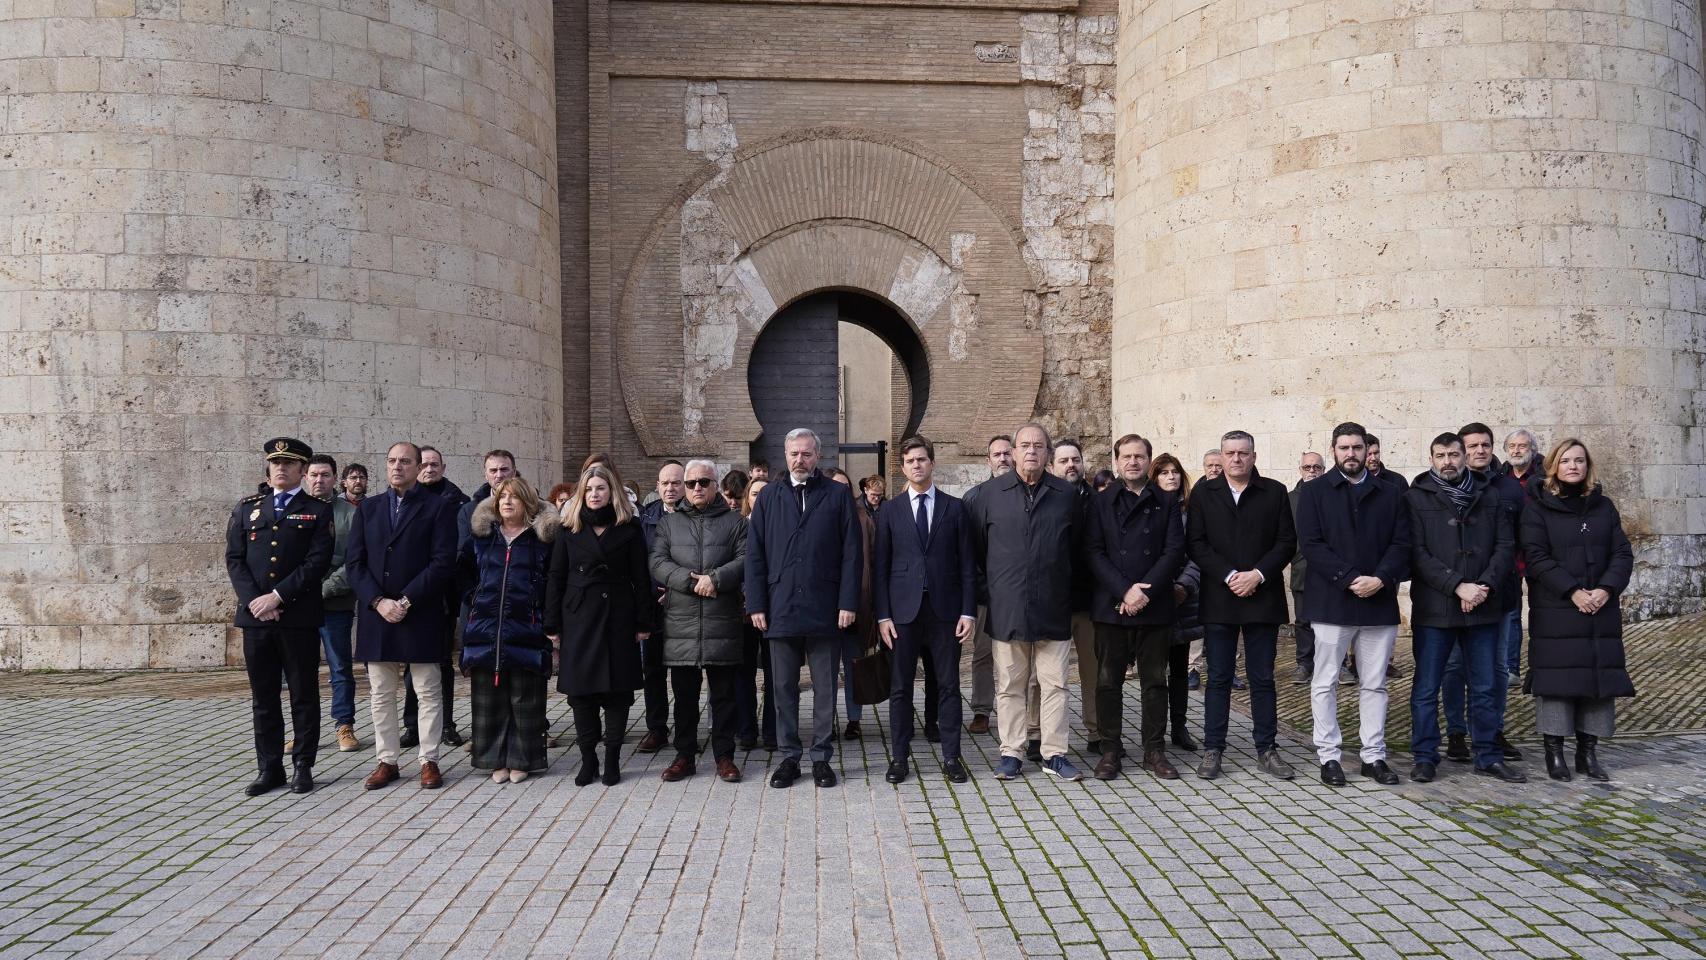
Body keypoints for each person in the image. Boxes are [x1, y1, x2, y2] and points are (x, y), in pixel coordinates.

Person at [745, 428, 863, 789]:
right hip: (780, 606)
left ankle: (822, 757)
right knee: (782, 687)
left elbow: (852, 553)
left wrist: (847, 602)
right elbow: (755, 554)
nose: (800, 459)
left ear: (818, 456)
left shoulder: (838, 495)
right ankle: (789, 757)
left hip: (825, 607)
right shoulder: (769, 497)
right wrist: (756, 603)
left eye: (807, 454)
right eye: (795, 453)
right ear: (785, 455)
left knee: (826, 688)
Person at [1295, 423, 1411, 787]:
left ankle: (1373, 756)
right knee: (1325, 681)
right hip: (1332, 601)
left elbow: (1402, 543)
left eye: (1357, 447)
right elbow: (1311, 544)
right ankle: (1329, 755)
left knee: (1375, 684)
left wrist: (1381, 578)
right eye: (1344, 447)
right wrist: (1348, 578)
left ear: (1367, 450)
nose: (1351, 454)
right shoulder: (1314, 492)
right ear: (1334, 450)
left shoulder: (1391, 493)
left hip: (1378, 600)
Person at [1404, 433, 1524, 783]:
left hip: (1483, 605)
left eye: (1454, 454)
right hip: (1435, 608)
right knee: (1427, 688)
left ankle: (1487, 754)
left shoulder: (1490, 495)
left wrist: (1483, 586)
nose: (1448, 462)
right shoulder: (1415, 497)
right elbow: (1416, 552)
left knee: (1485, 686)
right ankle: (1425, 755)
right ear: (1431, 458)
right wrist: (1457, 585)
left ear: (1464, 456)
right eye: (1441, 455)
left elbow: (1505, 546)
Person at [971, 423, 1086, 782]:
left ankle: (1054, 753)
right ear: (1014, 451)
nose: (1031, 451)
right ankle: (1012, 752)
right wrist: (992, 592)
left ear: (1048, 453)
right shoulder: (989, 494)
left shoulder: (1066, 495)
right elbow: (977, 552)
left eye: (1039, 445)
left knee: (1055, 685)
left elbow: (1077, 549)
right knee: (1010, 685)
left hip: (1053, 605)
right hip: (1007, 607)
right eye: (1025, 445)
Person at [225, 438, 334, 796]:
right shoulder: (247, 508)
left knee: (303, 695)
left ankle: (303, 765)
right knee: (264, 697)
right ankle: (269, 767)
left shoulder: (317, 511)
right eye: (276, 463)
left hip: (296, 617)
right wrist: (255, 601)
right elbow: (235, 559)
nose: (281, 469)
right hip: (256, 618)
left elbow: (317, 562)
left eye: (289, 464)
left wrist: (277, 596)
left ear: (302, 471)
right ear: (268, 469)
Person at [1186, 430, 1296, 781]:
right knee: (1218, 677)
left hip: (1262, 597)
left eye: (1243, 453)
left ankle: (1267, 748)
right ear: (1221, 456)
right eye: (1230, 453)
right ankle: (1213, 748)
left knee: (1262, 677)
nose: (1236, 459)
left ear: (1254, 456)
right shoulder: (1204, 492)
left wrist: (1258, 575)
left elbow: (1286, 542)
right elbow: (1196, 544)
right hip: (1221, 596)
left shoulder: (1274, 491)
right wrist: (1231, 575)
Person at [348, 441, 459, 791]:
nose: (397, 467)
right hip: (377, 614)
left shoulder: (438, 507)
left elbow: (442, 562)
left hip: (420, 610)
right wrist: (378, 601)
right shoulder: (368, 509)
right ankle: (387, 760)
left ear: (418, 467)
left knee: (427, 689)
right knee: (381, 692)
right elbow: (355, 564)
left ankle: (429, 759)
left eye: (405, 461)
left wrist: (406, 600)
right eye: (392, 460)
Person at [1522, 439, 1634, 781]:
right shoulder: (1538, 508)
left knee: (1597, 679)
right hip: (1557, 608)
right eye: (1566, 460)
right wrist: (1572, 591)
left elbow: (1621, 553)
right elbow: (1536, 557)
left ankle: (1588, 752)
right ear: (1554, 466)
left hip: (1600, 608)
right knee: (1557, 681)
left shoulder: (1603, 507)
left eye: (1580, 460)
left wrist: (1605, 589)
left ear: (1588, 466)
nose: (1573, 466)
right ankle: (1555, 753)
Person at [873, 436, 977, 784]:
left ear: (932, 462)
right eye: (910, 461)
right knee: (901, 688)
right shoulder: (890, 511)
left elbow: (967, 565)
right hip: (902, 615)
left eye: (921, 459)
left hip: (945, 613)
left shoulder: (955, 508)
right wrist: (883, 616)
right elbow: (881, 567)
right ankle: (899, 758)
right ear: (902, 468)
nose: (916, 465)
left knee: (948, 686)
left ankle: (952, 757)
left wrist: (968, 612)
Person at [546, 464, 656, 786]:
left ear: (612, 492)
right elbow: (556, 577)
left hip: (618, 617)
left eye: (601, 489)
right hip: (578, 618)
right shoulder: (569, 528)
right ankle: (588, 759)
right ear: (582, 494)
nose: (594, 494)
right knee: (581, 694)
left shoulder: (629, 528)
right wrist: (552, 623)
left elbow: (641, 577)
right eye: (589, 489)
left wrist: (643, 620)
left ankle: (612, 759)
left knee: (617, 692)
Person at [1086, 433, 1187, 780]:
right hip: (1111, 605)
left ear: (1148, 461)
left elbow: (1174, 551)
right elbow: (1093, 552)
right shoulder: (1100, 502)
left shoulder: (1167, 500)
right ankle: (1110, 749)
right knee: (1107, 682)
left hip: (1154, 605)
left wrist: (1145, 593)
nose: (1132, 462)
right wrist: (1124, 591)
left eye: (1139, 456)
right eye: (1126, 456)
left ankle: (1154, 750)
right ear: (1116, 462)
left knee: (1155, 682)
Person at [651, 459, 749, 784]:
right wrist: (689, 581)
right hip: (682, 623)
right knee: (684, 697)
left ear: (715, 485)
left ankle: (724, 756)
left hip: (722, 621)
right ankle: (685, 756)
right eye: (691, 483)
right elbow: (657, 561)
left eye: (703, 482)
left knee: (724, 696)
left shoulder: (736, 522)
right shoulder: (669, 523)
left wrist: (716, 579)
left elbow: (747, 558)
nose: (696, 488)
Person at [460, 476, 556, 783]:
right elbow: (461, 571)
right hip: (486, 628)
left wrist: (543, 613)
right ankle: (493, 759)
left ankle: (522, 760)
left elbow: (554, 581)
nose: (507, 502)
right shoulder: (483, 538)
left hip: (527, 626)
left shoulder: (542, 541)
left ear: (527, 502)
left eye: (514, 497)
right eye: (502, 497)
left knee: (525, 697)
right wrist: (474, 598)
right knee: (490, 697)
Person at [1441, 424, 1526, 763]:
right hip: (1453, 593)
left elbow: (1516, 540)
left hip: (1500, 592)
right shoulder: (1444, 487)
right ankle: (1456, 732)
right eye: (1472, 445)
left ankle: (1491, 731)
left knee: (1498, 667)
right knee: (1453, 666)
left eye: (1485, 445)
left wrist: (1491, 582)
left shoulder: (1509, 489)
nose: (1479, 451)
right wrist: (1458, 585)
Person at [402, 444, 468, 750]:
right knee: (410, 662)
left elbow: (456, 551)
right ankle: (411, 725)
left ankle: (447, 725)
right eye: (425, 464)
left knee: (441, 662)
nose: (429, 469)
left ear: (443, 468)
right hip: (409, 594)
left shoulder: (456, 502)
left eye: (434, 465)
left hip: (442, 595)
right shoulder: (403, 501)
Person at [1049, 438, 1102, 753]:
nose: (1071, 465)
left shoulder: (1099, 501)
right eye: (1064, 460)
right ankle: (1041, 734)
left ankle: (1096, 732)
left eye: (1076, 460)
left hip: (1089, 602)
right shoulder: (1044, 500)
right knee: (1048, 676)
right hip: (1053, 603)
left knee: (1093, 672)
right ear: (1052, 465)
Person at [960, 434, 1014, 735]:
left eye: (1007, 453)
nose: (1002, 458)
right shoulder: (974, 498)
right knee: (982, 653)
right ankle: (981, 709)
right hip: (984, 591)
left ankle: (1016, 710)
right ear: (988, 460)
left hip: (1016, 592)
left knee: (1017, 655)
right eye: (997, 454)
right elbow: (967, 549)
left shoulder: (1026, 493)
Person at [306, 454, 361, 753]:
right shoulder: (295, 511)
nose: (319, 480)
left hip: (335, 603)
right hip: (299, 605)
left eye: (325, 475)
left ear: (335, 479)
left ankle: (344, 725)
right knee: (301, 671)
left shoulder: (350, 514)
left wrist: (323, 589)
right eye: (314, 475)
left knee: (340, 667)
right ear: (305, 477)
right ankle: (304, 730)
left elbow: (354, 561)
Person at [636, 461, 687, 754]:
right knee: (653, 671)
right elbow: (639, 563)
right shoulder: (645, 519)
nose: (670, 488)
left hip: (685, 607)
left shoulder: (695, 517)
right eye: (665, 483)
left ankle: (685, 729)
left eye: (676, 483)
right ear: (657, 486)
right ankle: (656, 728)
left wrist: (677, 588)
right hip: (653, 608)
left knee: (683, 673)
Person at [1151, 454, 1200, 751]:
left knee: (1180, 670)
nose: (1171, 477)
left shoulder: (1191, 513)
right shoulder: (1147, 509)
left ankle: (1179, 727)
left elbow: (1198, 553)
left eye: (1175, 472)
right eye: (1164, 472)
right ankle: (1154, 732)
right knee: (1154, 672)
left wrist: (1184, 585)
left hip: (1183, 601)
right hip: (1153, 599)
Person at [828, 467, 878, 740]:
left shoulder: (863, 519)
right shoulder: (817, 517)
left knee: (854, 665)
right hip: (825, 608)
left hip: (857, 606)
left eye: (844, 487)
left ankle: (854, 719)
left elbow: (873, 560)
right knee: (826, 669)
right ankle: (826, 719)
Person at [1499, 427, 1541, 679]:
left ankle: (1541, 667)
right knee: (1512, 612)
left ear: (1532, 450)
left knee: (1541, 611)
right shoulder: (1500, 477)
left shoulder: (1545, 477)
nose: (1516, 451)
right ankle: (1510, 669)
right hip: (1511, 554)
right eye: (1512, 446)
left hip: (1538, 552)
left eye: (1522, 446)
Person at [736, 477, 774, 751]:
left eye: (764, 494)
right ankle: (746, 730)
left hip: (773, 610)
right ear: (746, 499)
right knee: (743, 673)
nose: (759, 499)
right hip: (741, 610)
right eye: (754, 494)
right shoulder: (738, 527)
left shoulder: (780, 526)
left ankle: (772, 731)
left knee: (775, 673)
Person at [1288, 451, 1330, 686]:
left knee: (1333, 621)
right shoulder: (1289, 499)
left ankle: (1338, 664)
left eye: (1317, 467)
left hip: (1332, 571)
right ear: (1300, 470)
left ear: (1324, 470)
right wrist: (1297, 557)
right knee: (1303, 620)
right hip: (1302, 569)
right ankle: (1304, 663)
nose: (1312, 471)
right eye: (1307, 467)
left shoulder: (1335, 495)